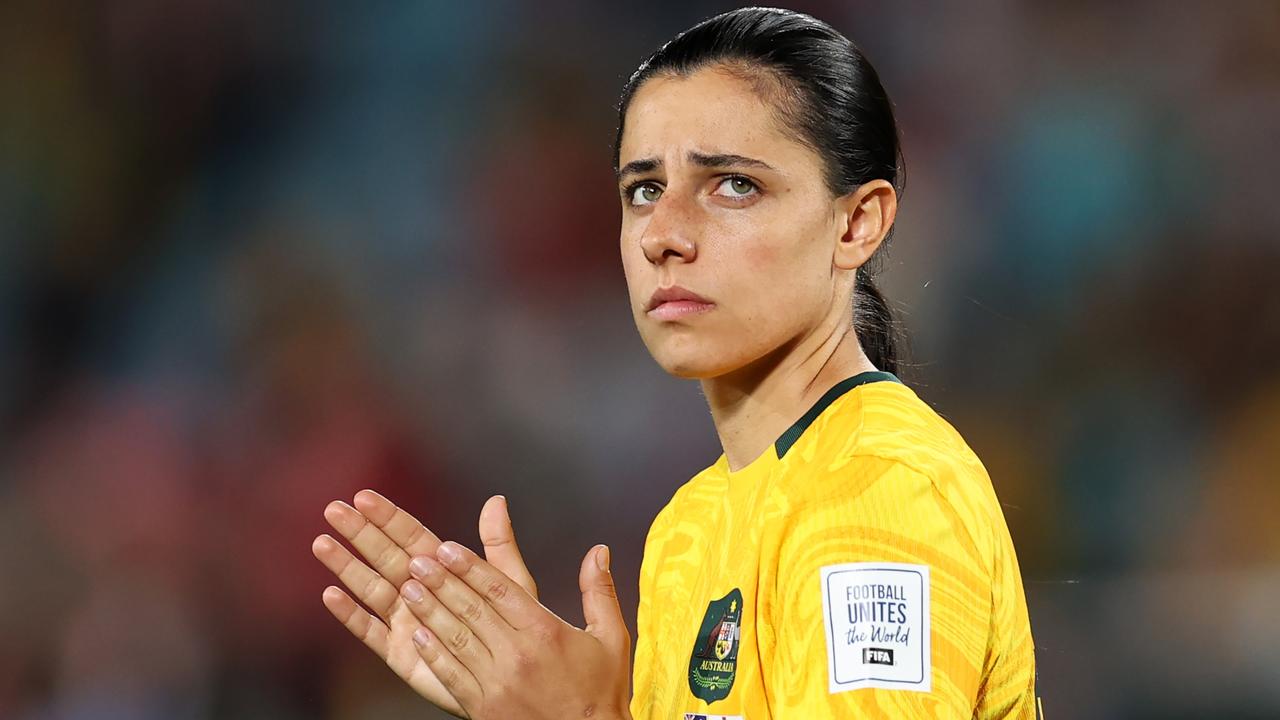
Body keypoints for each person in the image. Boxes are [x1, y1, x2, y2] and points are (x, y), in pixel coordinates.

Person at [312, 7, 1038, 719]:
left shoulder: (881, 489)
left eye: (733, 184)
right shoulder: (688, 528)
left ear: (857, 222)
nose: (663, 234)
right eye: (644, 189)